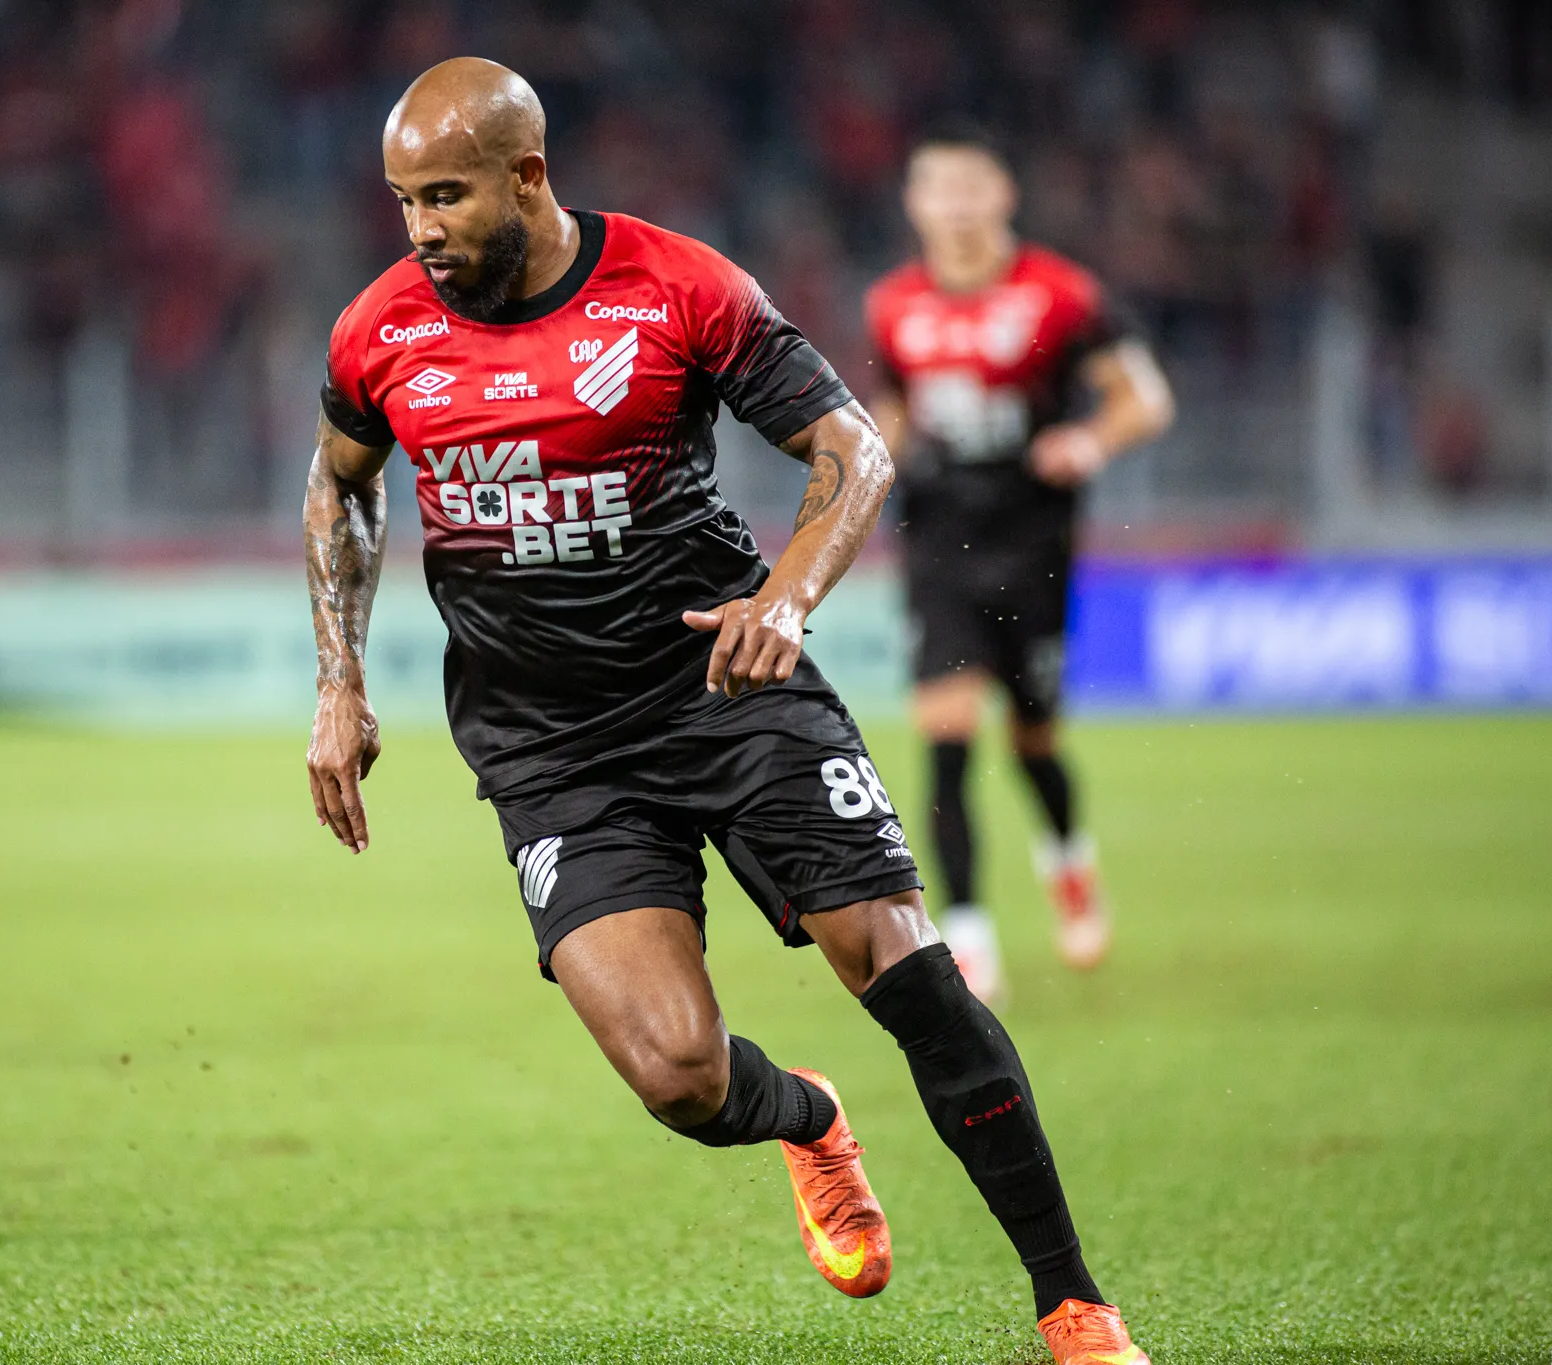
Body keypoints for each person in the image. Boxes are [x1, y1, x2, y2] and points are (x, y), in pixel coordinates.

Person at [304, 60, 1150, 1364]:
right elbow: (341, 487)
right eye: (404, 200)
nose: (420, 228)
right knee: (679, 1079)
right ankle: (809, 1118)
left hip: (726, 685)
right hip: (550, 747)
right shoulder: (380, 331)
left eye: (446, 197)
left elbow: (852, 447)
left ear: (527, 176)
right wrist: (339, 679)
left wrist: (788, 599)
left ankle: (1073, 1304)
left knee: (906, 966)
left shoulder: (677, 288)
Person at [863, 124, 1176, 1003]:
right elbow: (892, 410)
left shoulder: (1062, 294)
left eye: (974, 189)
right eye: (941, 190)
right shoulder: (892, 304)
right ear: (916, 204)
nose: (958, 208)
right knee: (946, 738)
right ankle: (967, 936)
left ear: (1004, 197)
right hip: (939, 537)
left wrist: (1090, 440)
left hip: (1034, 537)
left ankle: (1068, 857)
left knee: (1033, 741)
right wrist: (860, 470)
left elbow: (1145, 399)